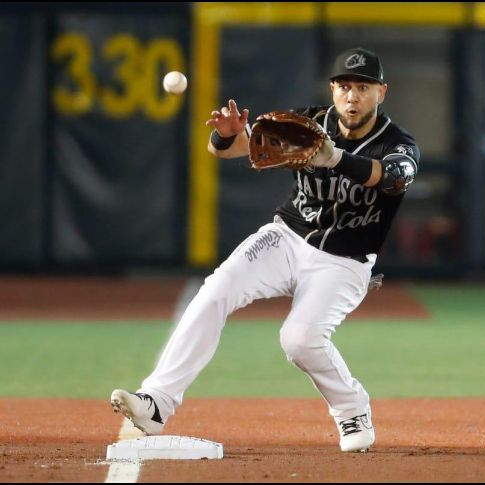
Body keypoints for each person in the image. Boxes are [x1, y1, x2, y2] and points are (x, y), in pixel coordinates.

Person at [110, 47, 419, 453]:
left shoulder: (397, 142)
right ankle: (156, 402)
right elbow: (229, 149)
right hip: (286, 238)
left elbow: (395, 177)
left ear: (381, 92)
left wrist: (337, 159)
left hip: (344, 261)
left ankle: (351, 408)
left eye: (363, 87)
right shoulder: (307, 125)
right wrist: (226, 133)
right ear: (332, 89)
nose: (352, 96)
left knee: (300, 340)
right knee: (216, 290)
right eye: (345, 86)